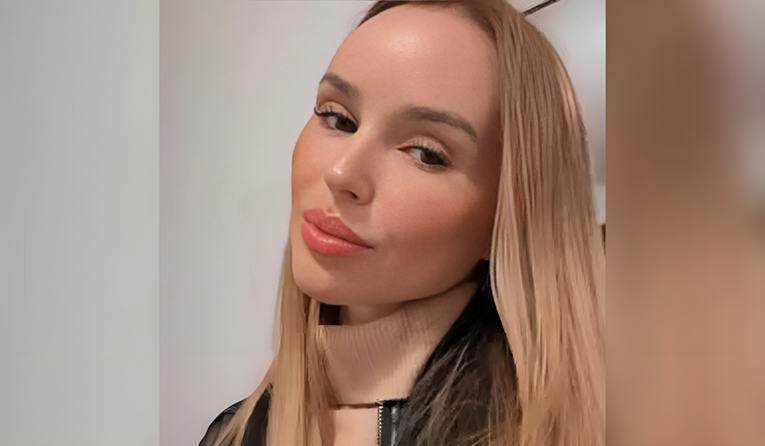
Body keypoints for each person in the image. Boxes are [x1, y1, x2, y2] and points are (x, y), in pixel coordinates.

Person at [200, 1, 605, 445]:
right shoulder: (235, 434)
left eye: (425, 153)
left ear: (508, 216)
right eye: (338, 119)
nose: (341, 173)